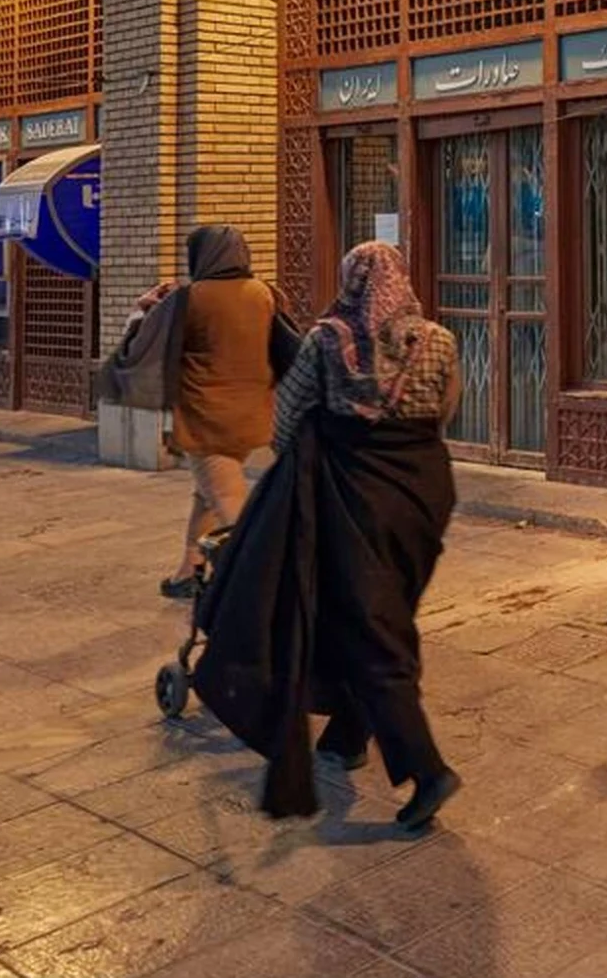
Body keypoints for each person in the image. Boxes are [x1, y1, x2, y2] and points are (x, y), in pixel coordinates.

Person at [194, 241, 462, 829]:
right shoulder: (438, 340)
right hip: (421, 493)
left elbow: (287, 420)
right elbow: (446, 409)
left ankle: (426, 767)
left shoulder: (325, 341)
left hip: (351, 494)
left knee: (370, 625)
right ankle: (346, 733)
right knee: (381, 613)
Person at [97, 225, 287, 597]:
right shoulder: (264, 293)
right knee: (207, 492)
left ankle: (267, 587)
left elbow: (145, 340)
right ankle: (189, 569)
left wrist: (142, 308)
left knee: (229, 501)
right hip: (253, 414)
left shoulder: (193, 297)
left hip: (207, 417)